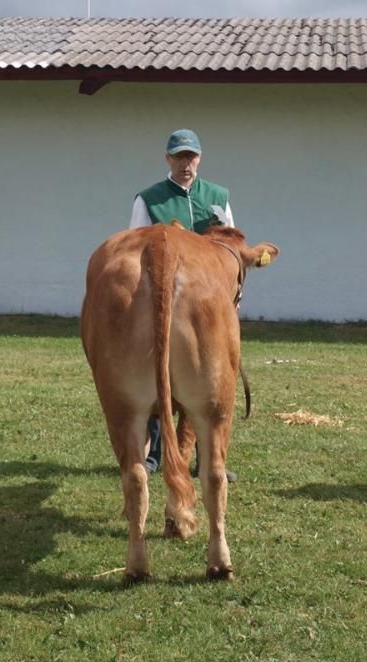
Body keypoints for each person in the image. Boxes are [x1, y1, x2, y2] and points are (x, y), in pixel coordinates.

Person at [129, 128, 237, 483]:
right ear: (167, 159)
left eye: (190, 157)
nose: (185, 164)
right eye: (178, 157)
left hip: (207, 308)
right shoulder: (148, 200)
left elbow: (231, 250)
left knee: (210, 381)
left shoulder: (218, 196)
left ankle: (209, 458)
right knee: (159, 374)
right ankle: (156, 454)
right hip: (162, 306)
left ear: (200, 159)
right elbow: (134, 252)